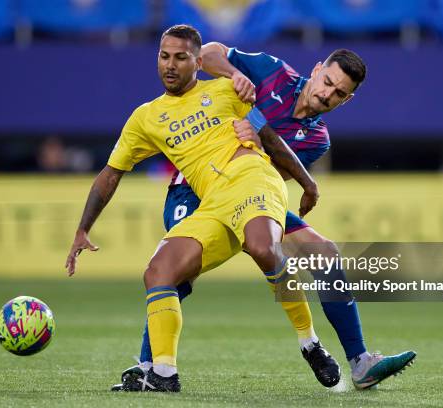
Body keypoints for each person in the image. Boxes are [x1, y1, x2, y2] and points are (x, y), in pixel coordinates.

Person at [117, 41, 416, 391]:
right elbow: (209, 53)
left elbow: (270, 176)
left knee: (325, 254)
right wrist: (235, 75)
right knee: (176, 274)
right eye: (328, 81)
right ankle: (148, 365)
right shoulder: (273, 71)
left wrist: (256, 133)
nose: (327, 94)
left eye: (338, 93)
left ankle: (360, 362)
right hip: (193, 189)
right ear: (317, 69)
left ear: (346, 101)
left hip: (251, 193)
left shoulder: (317, 139)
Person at [66, 24, 325, 393]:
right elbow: (110, 175)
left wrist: (307, 182)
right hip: (212, 203)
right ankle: (164, 375)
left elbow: (269, 136)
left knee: (264, 247)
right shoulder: (146, 118)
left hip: (252, 178)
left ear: (197, 62)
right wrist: (82, 228)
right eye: (164, 56)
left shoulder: (225, 91)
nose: (170, 65)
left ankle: (309, 343)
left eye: (181, 58)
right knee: (158, 272)